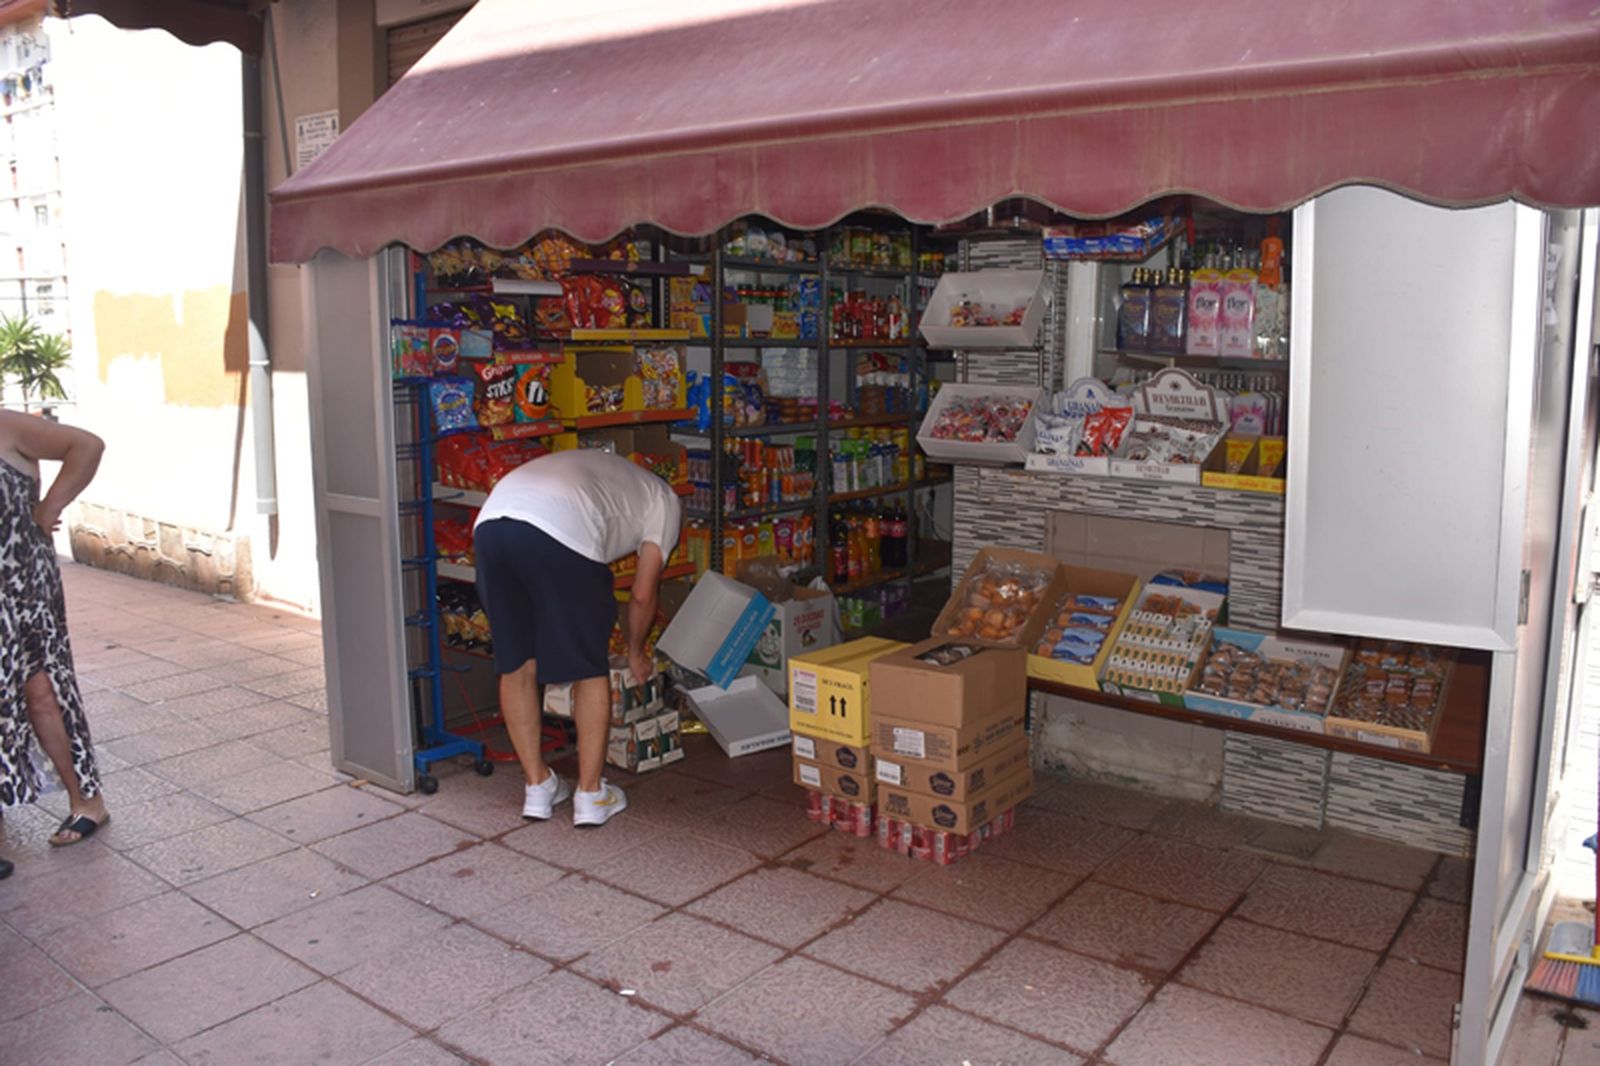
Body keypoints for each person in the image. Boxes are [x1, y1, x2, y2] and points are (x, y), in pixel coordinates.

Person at [472, 448, 681, 827]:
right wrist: (636, 652)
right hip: (559, 528)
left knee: (517, 661)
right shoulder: (665, 500)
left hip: (491, 525)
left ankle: (537, 787)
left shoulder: (606, 471)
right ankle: (590, 795)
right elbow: (642, 593)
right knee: (589, 666)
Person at [0, 409, 108, 880]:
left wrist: (49, 507)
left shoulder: (6, 426)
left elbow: (87, 445)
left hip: (22, 583)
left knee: (42, 690)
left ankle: (86, 799)